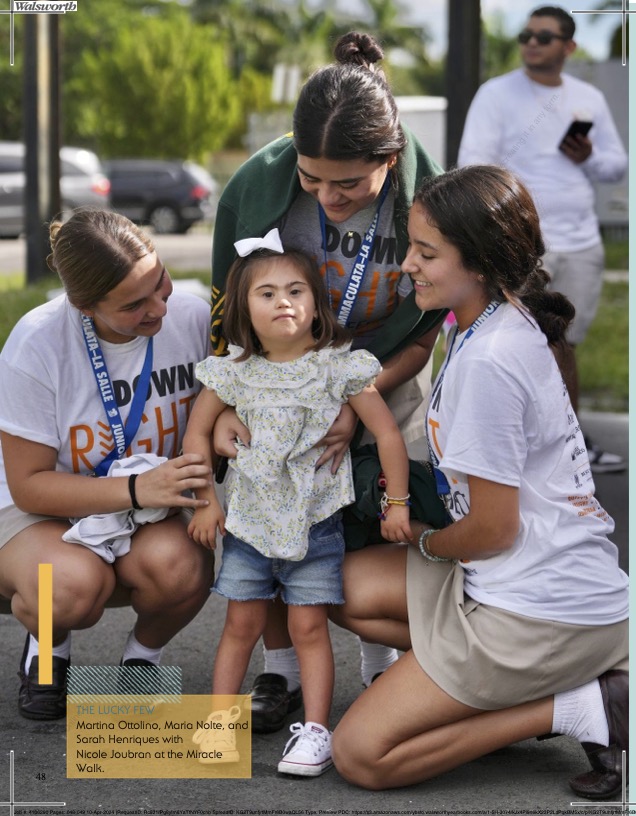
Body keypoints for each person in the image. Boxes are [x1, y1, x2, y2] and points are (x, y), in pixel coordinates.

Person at [329, 166, 628, 800]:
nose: (407, 263)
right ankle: (481, 683)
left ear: (483, 262)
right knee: (336, 585)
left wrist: (427, 545)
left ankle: (581, 707)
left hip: (540, 610)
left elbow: (493, 528)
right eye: (411, 245)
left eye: (427, 253)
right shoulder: (478, 318)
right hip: (520, 578)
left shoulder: (490, 362)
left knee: (361, 756)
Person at [209, 30, 446, 732]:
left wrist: (356, 400)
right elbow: (230, 311)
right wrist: (224, 407)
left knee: (377, 520)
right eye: (313, 180)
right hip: (273, 383)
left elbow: (434, 322)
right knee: (269, 516)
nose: (329, 197)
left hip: (384, 374)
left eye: (350, 183)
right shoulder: (256, 186)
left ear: (391, 159)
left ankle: (381, 671)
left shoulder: (432, 196)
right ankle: (277, 671)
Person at [184, 233, 412, 776]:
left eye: (296, 290)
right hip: (248, 529)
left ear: (316, 305)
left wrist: (397, 502)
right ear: (242, 308)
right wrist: (203, 504)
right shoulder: (233, 372)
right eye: (265, 294)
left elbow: (388, 436)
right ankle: (219, 723)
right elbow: (196, 437)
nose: (283, 301)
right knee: (240, 625)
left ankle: (315, 732)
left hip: (316, 527)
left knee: (310, 628)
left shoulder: (338, 368)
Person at [0, 209, 215, 721]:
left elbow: (222, 403)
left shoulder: (193, 316)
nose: (159, 307)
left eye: (159, 281)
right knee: (67, 590)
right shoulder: (36, 344)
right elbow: (30, 487)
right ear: (84, 305)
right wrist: (139, 488)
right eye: (134, 304)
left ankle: (142, 660)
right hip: (44, 511)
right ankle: (48, 652)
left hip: (144, 507)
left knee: (182, 568)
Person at [458, 5, 627, 474]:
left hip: (583, 243)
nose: (532, 42)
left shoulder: (587, 97)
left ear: (569, 46)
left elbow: (616, 165)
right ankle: (522, 443)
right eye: (526, 34)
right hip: (523, 248)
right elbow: (474, 163)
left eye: (545, 36)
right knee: (524, 344)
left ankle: (570, 445)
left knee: (565, 343)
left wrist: (589, 156)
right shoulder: (495, 94)